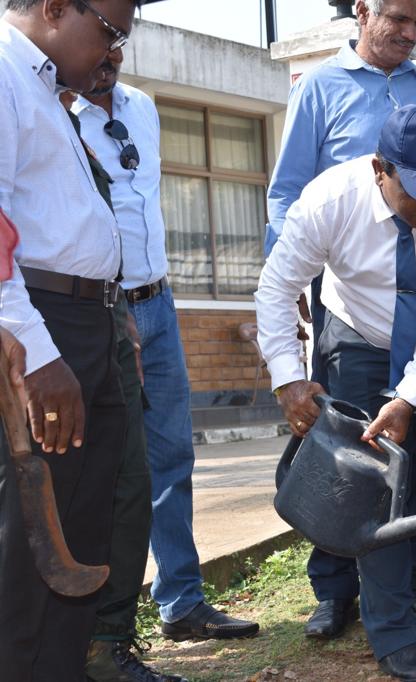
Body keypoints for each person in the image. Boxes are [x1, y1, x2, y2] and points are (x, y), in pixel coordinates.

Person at [256, 104, 416, 682]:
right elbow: (276, 287)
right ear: (381, 169)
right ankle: (395, 632)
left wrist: (409, 397)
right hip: (361, 335)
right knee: (375, 484)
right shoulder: (329, 201)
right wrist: (287, 376)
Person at [265, 0, 416, 641]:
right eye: (396, 17)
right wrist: (290, 282)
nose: (408, 32)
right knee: (341, 438)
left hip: (414, 294)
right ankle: (333, 589)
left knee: (413, 442)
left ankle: (413, 587)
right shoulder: (320, 87)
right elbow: (288, 189)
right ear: (363, 10)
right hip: (340, 285)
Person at [74, 53, 258, 677]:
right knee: (115, 472)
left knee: (173, 457)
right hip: (103, 311)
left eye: (117, 41)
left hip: (158, 301)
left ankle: (181, 601)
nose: (106, 57)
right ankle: (100, 628)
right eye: (98, 39)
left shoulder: (144, 109)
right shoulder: (56, 114)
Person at [0, 1, 139, 677]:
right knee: (35, 536)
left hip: (88, 322)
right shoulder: (1, 71)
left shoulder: (44, 86)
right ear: (55, 6)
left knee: (82, 526)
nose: (116, 50)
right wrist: (40, 352)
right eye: (111, 31)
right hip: (42, 324)